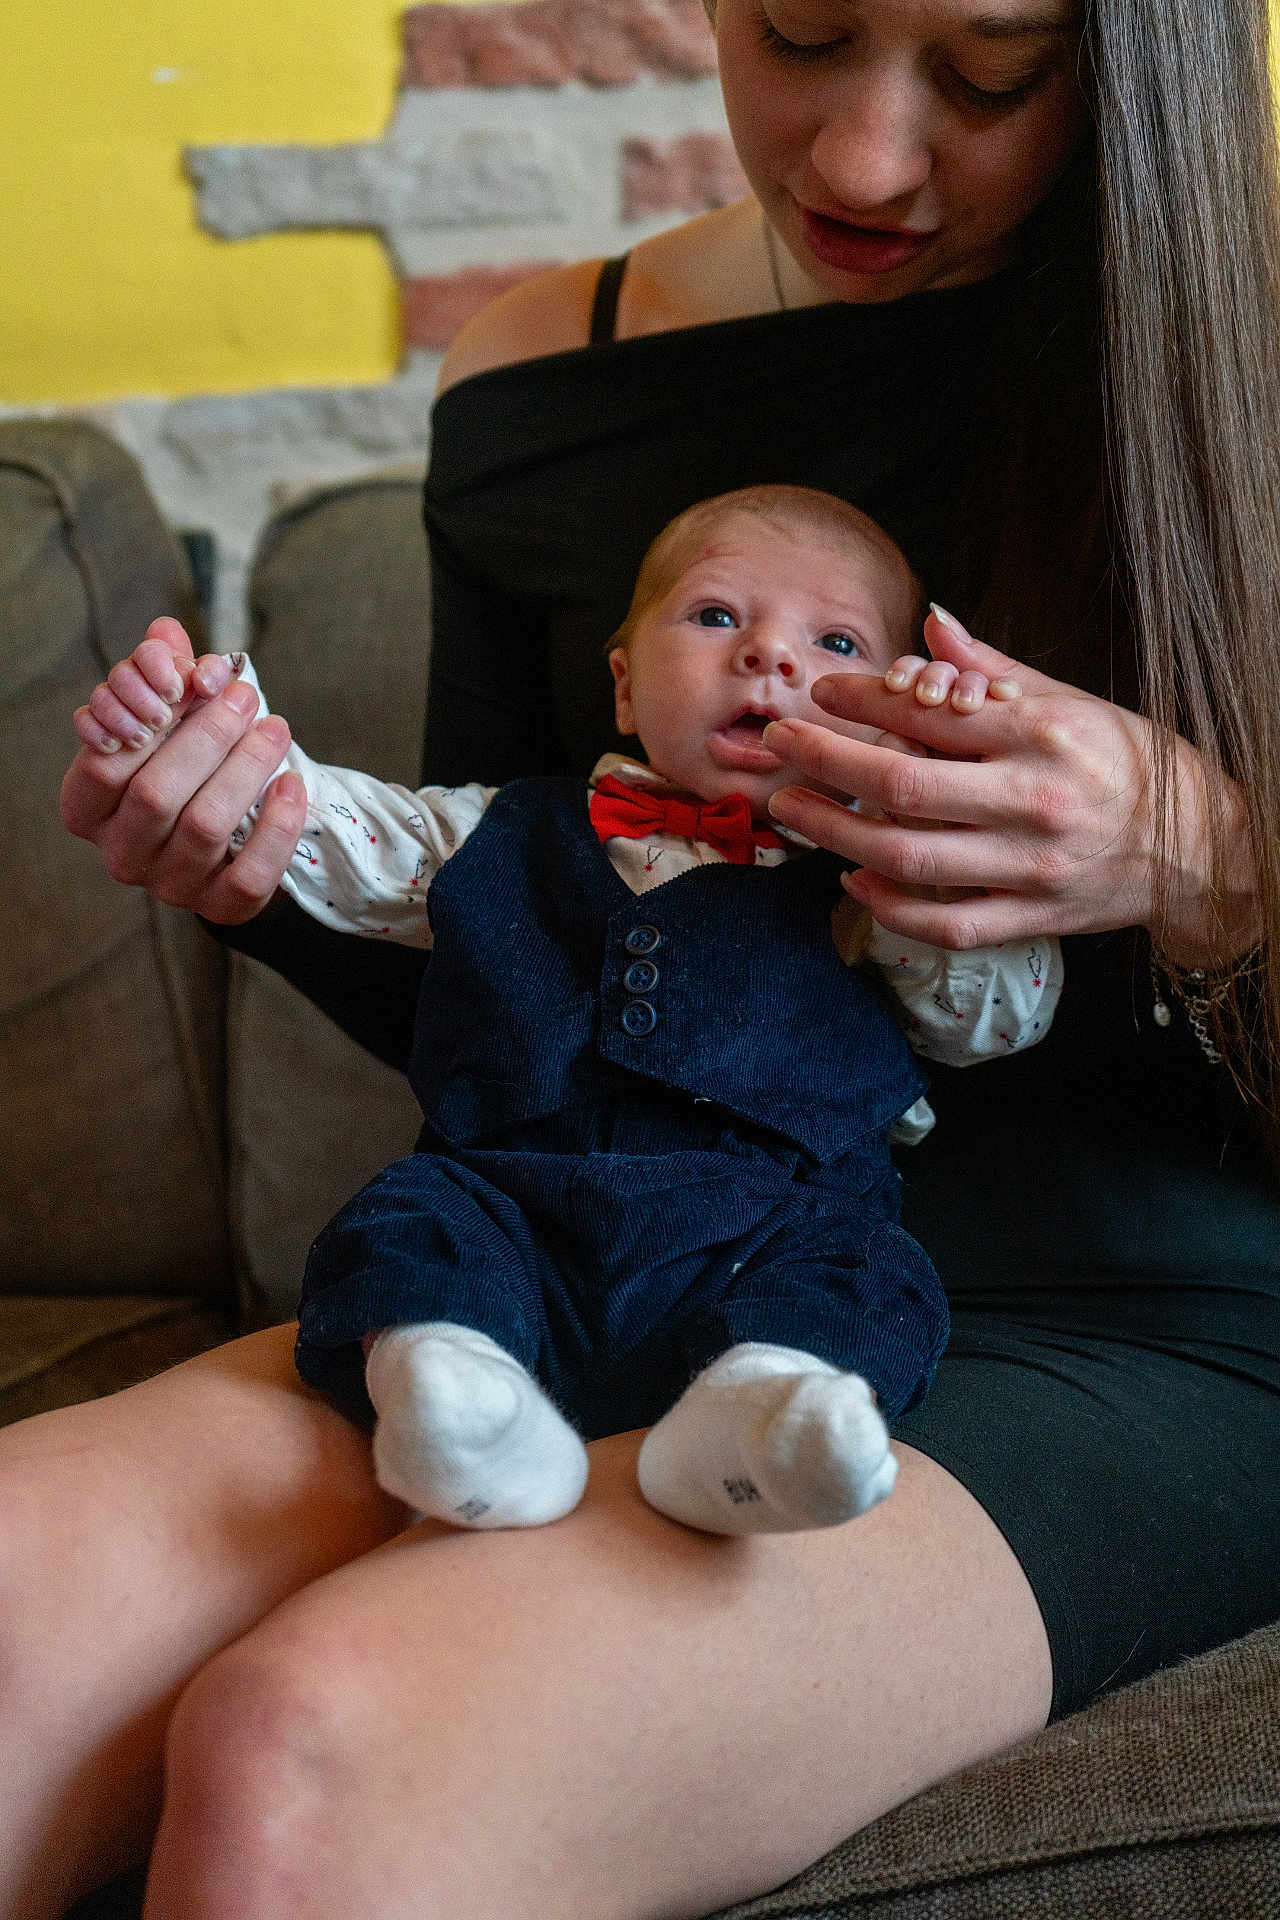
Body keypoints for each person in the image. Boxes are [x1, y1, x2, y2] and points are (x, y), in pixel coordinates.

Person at [18, 0, 1280, 1915]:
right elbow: (511, 940)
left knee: (311, 1761)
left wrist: (1214, 854)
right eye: (797, 30)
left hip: (1149, 1326)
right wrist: (253, 868)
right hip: (607, 1221)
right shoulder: (549, 379)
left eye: (990, 73)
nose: (860, 157)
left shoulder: (1242, 361)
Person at [79, 485, 1057, 1538]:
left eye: (832, 640)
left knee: (870, 1275)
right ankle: (457, 1397)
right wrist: (213, 739)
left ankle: (754, 1416)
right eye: (717, 615)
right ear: (625, 687)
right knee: (407, 1226)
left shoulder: (873, 886)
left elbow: (991, 1018)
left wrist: (924, 833)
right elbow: (349, 837)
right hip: (513, 1202)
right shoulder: (500, 828)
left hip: (772, 1219)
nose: (769, 655)